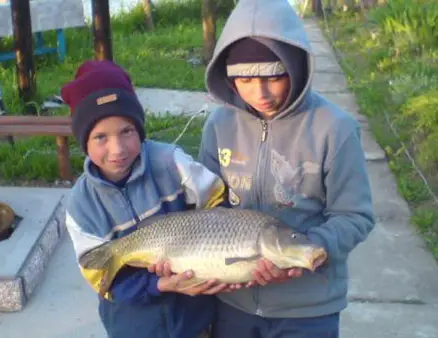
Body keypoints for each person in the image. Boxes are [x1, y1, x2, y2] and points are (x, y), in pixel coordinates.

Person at [198, 0, 376, 337]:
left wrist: (306, 249)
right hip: (233, 304)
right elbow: (208, 208)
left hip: (308, 308)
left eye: (274, 76)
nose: (260, 93)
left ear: (295, 67)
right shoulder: (219, 125)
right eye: (245, 80)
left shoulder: (335, 129)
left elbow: (355, 216)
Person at [62, 59, 227, 338]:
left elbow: (216, 198)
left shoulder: (171, 162)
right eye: (101, 137)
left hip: (195, 318)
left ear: (139, 129)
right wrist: (157, 284)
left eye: (127, 131)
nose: (117, 149)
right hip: (133, 327)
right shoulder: (82, 206)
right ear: (83, 142)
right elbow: (101, 277)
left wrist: (201, 244)